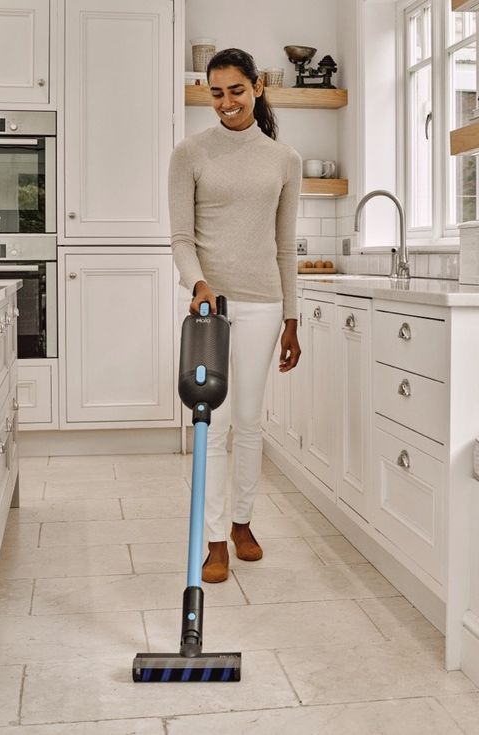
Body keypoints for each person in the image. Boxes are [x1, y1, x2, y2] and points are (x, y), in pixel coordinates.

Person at [168, 48, 302, 583]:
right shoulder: (190, 154)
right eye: (216, 92)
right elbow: (181, 238)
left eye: (236, 91)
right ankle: (215, 539)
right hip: (213, 309)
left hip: (266, 304)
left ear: (258, 86)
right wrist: (197, 283)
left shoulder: (284, 159)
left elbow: (285, 246)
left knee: (249, 422)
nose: (226, 102)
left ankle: (243, 522)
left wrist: (292, 318)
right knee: (213, 426)